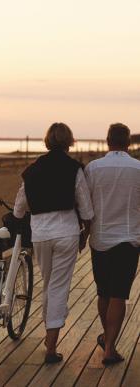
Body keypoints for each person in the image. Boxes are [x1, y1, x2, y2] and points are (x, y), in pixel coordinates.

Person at [14, 122, 94, 363]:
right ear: (69, 141)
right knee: (58, 286)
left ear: (47, 141)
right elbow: (87, 210)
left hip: (40, 234)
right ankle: (51, 344)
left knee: (49, 283)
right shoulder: (74, 168)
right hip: (66, 233)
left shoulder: (32, 170)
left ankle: (50, 335)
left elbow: (19, 207)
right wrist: (84, 236)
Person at [85, 123, 140, 366]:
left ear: (108, 141)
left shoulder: (93, 168)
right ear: (128, 143)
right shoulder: (138, 168)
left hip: (100, 238)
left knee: (103, 292)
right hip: (129, 239)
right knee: (119, 294)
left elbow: (85, 204)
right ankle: (109, 348)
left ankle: (108, 341)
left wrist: (82, 234)